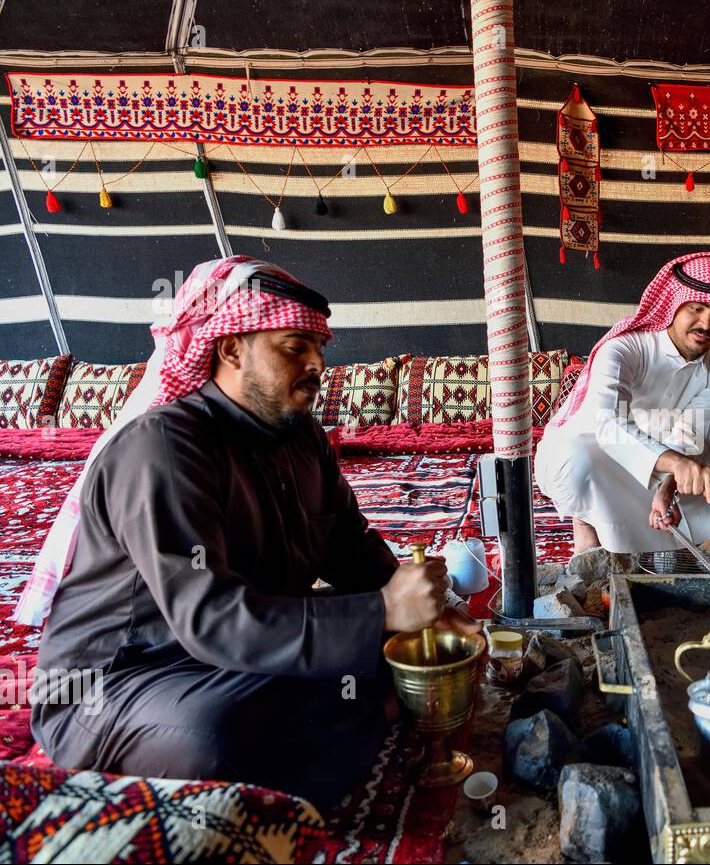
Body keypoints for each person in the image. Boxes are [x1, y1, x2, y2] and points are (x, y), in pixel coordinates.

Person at [21, 256, 476, 807]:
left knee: (391, 655)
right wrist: (381, 612)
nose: (315, 364)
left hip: (236, 648)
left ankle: (333, 727)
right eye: (294, 347)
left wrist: (427, 608)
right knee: (218, 737)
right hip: (124, 678)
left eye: (318, 349)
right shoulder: (163, 450)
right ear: (231, 348)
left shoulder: (300, 435)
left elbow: (348, 545)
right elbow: (210, 617)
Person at [535, 252, 710, 554]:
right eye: (696, 308)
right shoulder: (624, 351)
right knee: (575, 456)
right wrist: (676, 464)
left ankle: (709, 532)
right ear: (674, 304)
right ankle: (587, 528)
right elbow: (609, 426)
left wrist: (668, 486)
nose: (707, 323)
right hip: (593, 460)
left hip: (659, 463)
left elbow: (690, 433)